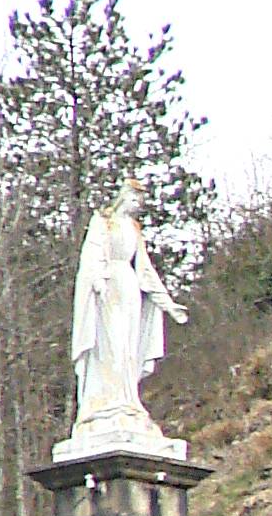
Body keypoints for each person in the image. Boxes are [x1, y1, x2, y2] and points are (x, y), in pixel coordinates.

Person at [69, 178, 187, 441]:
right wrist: (98, 281)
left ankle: (126, 401)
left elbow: (145, 270)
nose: (137, 204)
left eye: (140, 201)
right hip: (108, 288)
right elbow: (91, 256)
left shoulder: (134, 228)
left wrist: (168, 304)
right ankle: (105, 403)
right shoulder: (103, 220)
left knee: (128, 349)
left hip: (129, 288)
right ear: (124, 196)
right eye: (135, 198)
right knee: (111, 346)